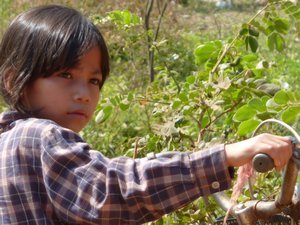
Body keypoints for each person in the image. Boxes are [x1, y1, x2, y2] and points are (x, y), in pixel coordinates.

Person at [0, 4, 292, 225]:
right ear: (15, 81)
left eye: (94, 80)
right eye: (65, 74)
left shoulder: (8, 143)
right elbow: (111, 190)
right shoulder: (38, 136)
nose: (84, 93)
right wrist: (225, 156)